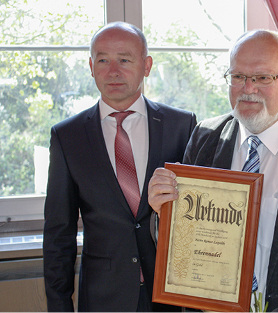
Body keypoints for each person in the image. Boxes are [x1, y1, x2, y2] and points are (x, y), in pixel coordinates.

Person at [148, 30, 278, 312]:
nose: (248, 88)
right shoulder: (206, 137)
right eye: (237, 77)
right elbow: (186, 240)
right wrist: (164, 213)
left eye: (263, 77)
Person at [43, 22, 197, 312]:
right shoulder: (67, 136)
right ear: (90, 66)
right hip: (103, 298)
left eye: (124, 59)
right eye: (103, 60)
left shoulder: (182, 125)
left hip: (169, 297)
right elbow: (58, 235)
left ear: (147, 65)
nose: (113, 71)